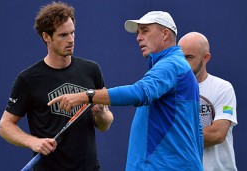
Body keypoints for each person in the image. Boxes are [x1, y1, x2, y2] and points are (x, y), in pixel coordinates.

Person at [48, 11, 203, 171]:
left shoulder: (170, 65)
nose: (138, 37)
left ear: (165, 34)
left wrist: (86, 96)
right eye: (138, 33)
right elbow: (197, 131)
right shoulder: (178, 67)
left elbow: (138, 92)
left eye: (145, 31)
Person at [0, 2, 114, 171]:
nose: (71, 40)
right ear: (46, 37)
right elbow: (5, 126)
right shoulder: (28, 79)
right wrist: (33, 142)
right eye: (63, 35)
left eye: (73, 33)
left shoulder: (92, 70)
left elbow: (105, 125)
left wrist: (102, 114)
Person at [178, 32, 238, 171]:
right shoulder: (169, 90)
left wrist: (175, 135)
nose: (183, 64)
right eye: (180, 58)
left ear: (206, 58)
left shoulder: (223, 88)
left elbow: (217, 134)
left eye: (189, 57)